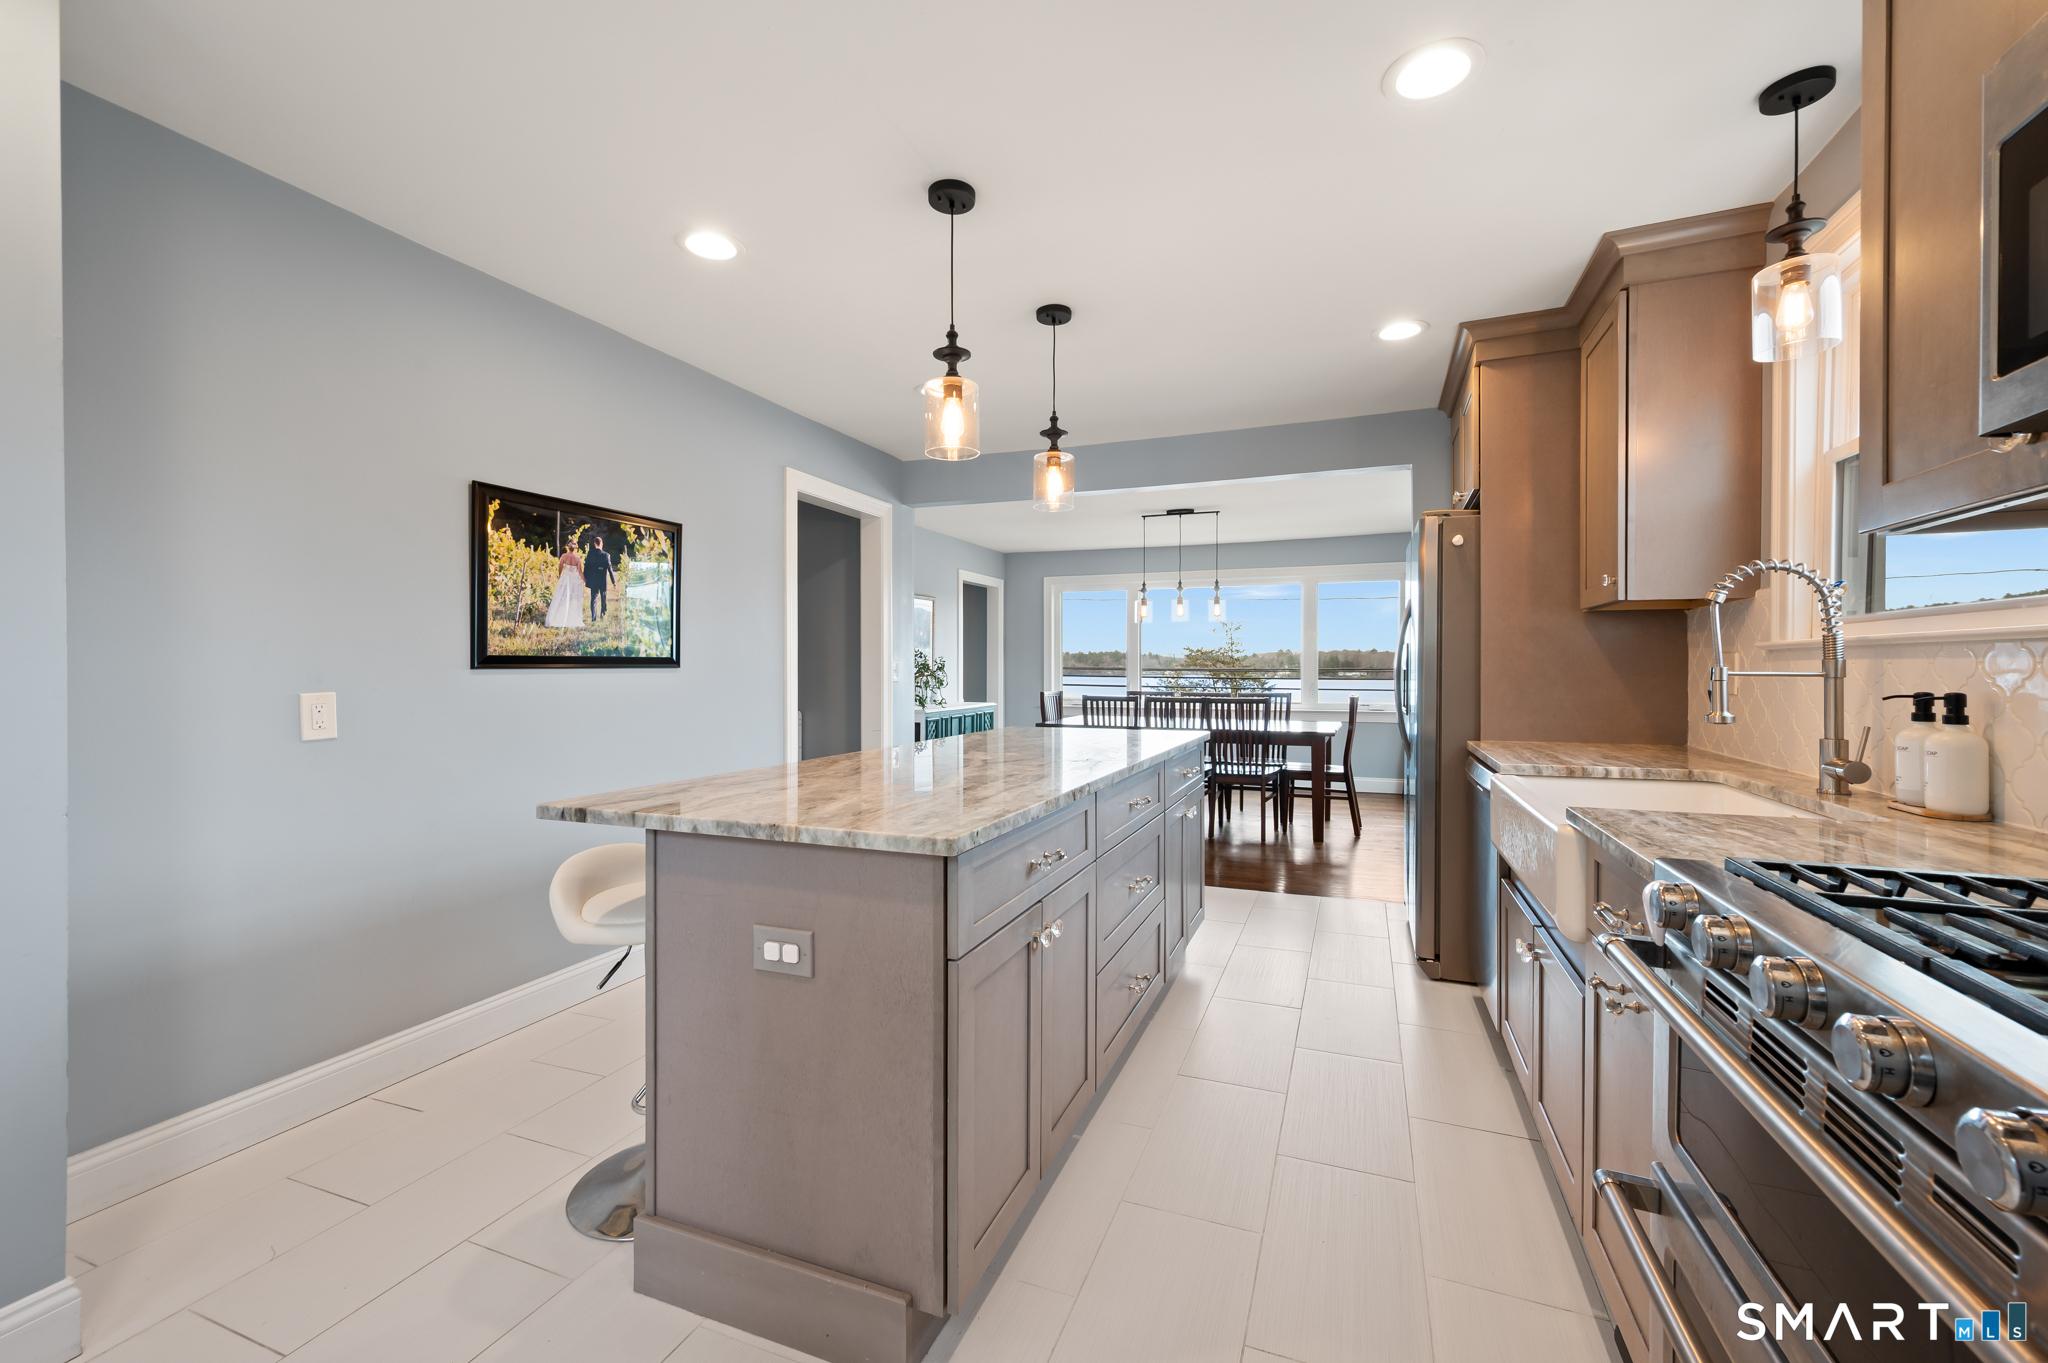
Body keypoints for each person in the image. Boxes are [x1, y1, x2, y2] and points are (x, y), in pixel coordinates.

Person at [543, 545, 586, 628]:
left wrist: (560, 576)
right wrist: (584, 580)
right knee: (571, 598)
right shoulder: (577, 558)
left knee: (560, 597)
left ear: (568, 548)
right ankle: (569, 617)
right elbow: (580, 572)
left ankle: (558, 616)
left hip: (564, 579)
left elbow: (560, 567)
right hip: (573, 581)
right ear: (575, 548)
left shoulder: (563, 556)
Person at [584, 535, 617, 620]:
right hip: (602, 580)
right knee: (603, 598)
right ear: (601, 544)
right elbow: (610, 570)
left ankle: (593, 617)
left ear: (595, 544)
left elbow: (586, 566)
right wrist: (614, 582)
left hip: (593, 580)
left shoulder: (590, 553)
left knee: (593, 599)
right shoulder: (606, 555)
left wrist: (585, 578)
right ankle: (602, 615)